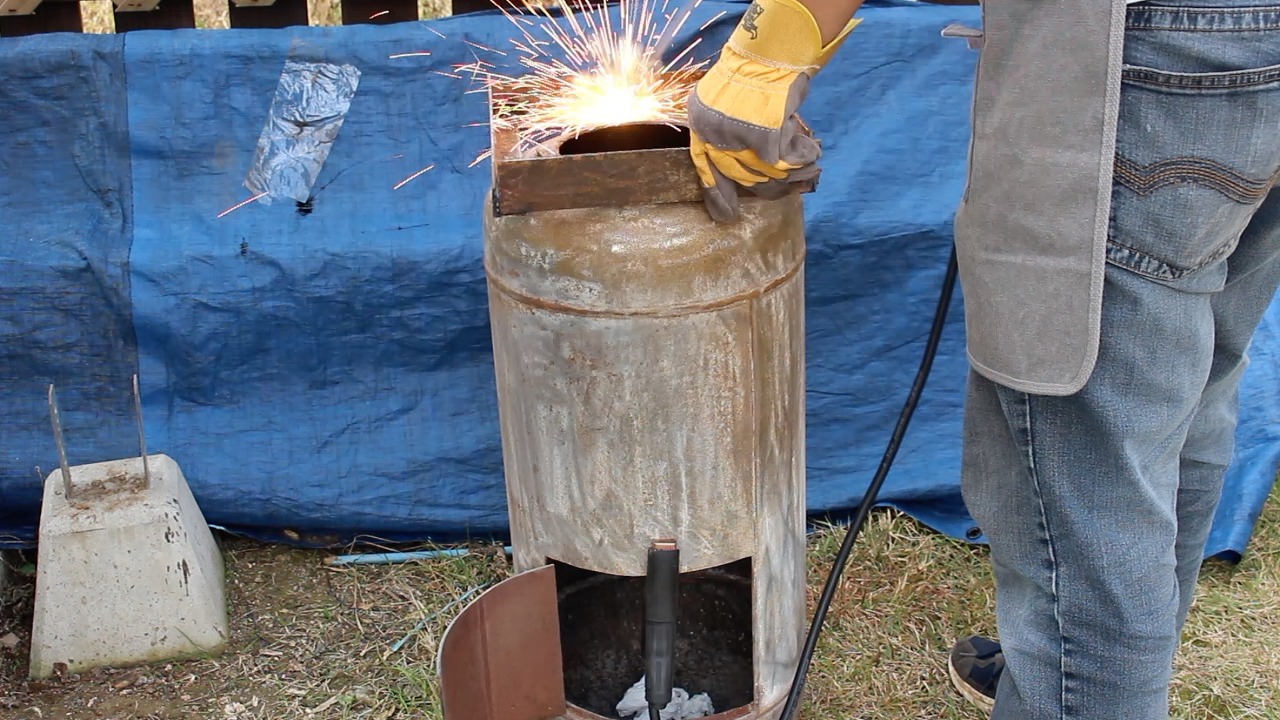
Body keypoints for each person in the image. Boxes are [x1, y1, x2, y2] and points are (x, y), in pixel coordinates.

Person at [687, 0, 1280, 717]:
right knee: (1188, 391)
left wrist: (769, 47)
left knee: (1093, 466)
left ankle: (1081, 680)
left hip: (1142, 52)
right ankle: (1075, 669)